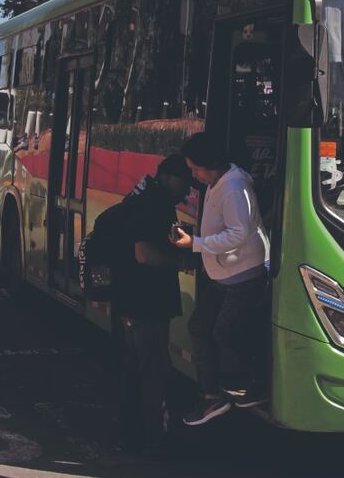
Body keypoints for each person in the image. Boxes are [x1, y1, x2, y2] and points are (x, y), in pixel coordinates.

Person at [170, 132, 270, 426]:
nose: (193, 174)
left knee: (225, 332)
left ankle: (261, 381)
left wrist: (195, 243)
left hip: (242, 274)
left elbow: (239, 233)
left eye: (195, 168)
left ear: (210, 164)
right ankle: (211, 397)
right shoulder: (220, 182)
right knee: (200, 328)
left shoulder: (234, 188)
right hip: (223, 274)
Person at [113, 154, 193, 455]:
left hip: (131, 299)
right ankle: (154, 441)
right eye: (186, 183)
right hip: (147, 302)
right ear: (170, 177)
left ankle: (131, 436)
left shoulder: (143, 195)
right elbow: (144, 254)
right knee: (152, 372)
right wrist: (185, 261)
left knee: (135, 371)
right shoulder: (155, 204)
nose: (188, 192)